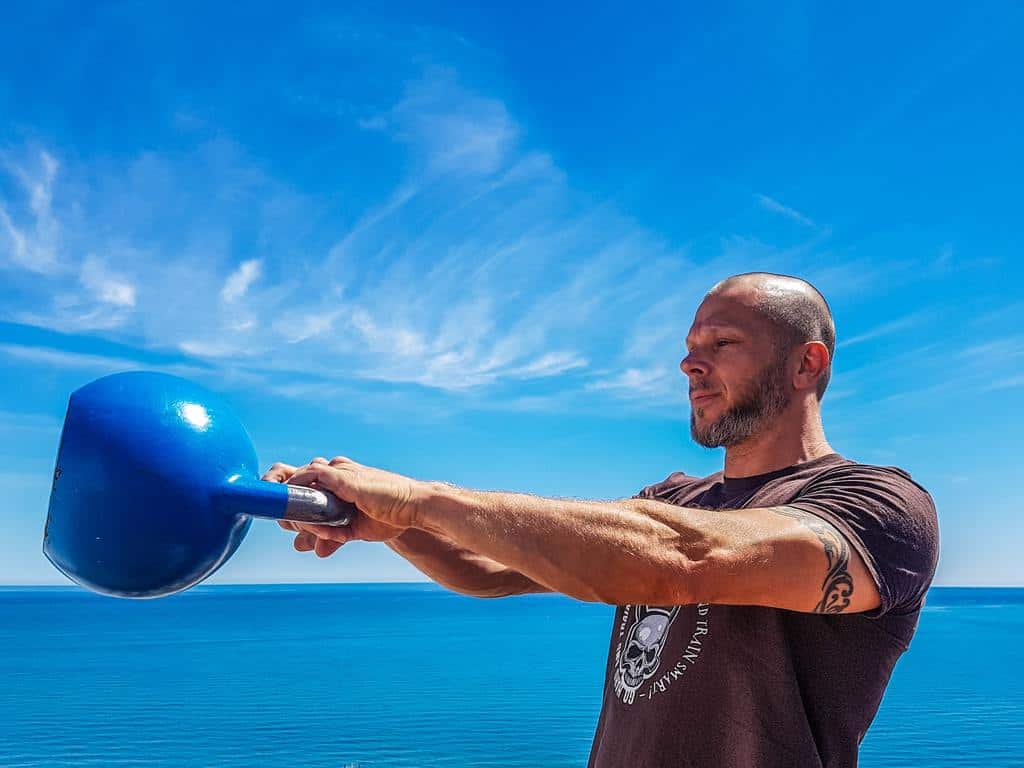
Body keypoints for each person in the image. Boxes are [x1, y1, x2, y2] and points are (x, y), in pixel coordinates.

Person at [264, 272, 940, 768]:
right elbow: (493, 570)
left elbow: (683, 561)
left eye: (722, 342)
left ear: (806, 363)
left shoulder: (877, 507)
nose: (689, 363)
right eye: (688, 345)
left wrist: (418, 498)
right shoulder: (673, 499)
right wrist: (392, 525)